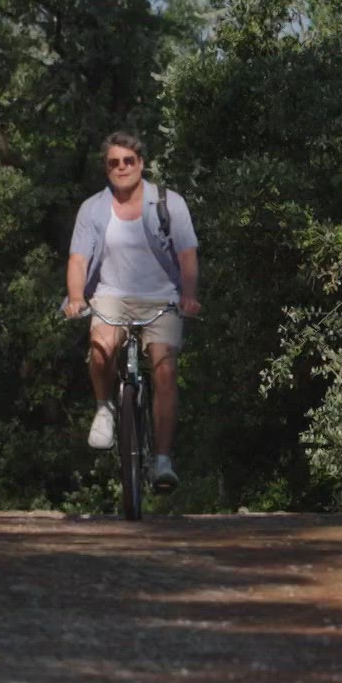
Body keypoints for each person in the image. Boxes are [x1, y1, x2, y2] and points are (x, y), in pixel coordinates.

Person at [63, 132, 201, 492]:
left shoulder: (170, 204)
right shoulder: (92, 209)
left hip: (162, 299)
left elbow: (187, 257)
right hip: (111, 297)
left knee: (165, 370)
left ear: (141, 164)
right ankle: (104, 408)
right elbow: (78, 259)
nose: (121, 167)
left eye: (128, 161)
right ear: (106, 169)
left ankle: (162, 460)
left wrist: (188, 296)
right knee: (99, 350)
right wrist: (76, 296)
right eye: (113, 163)